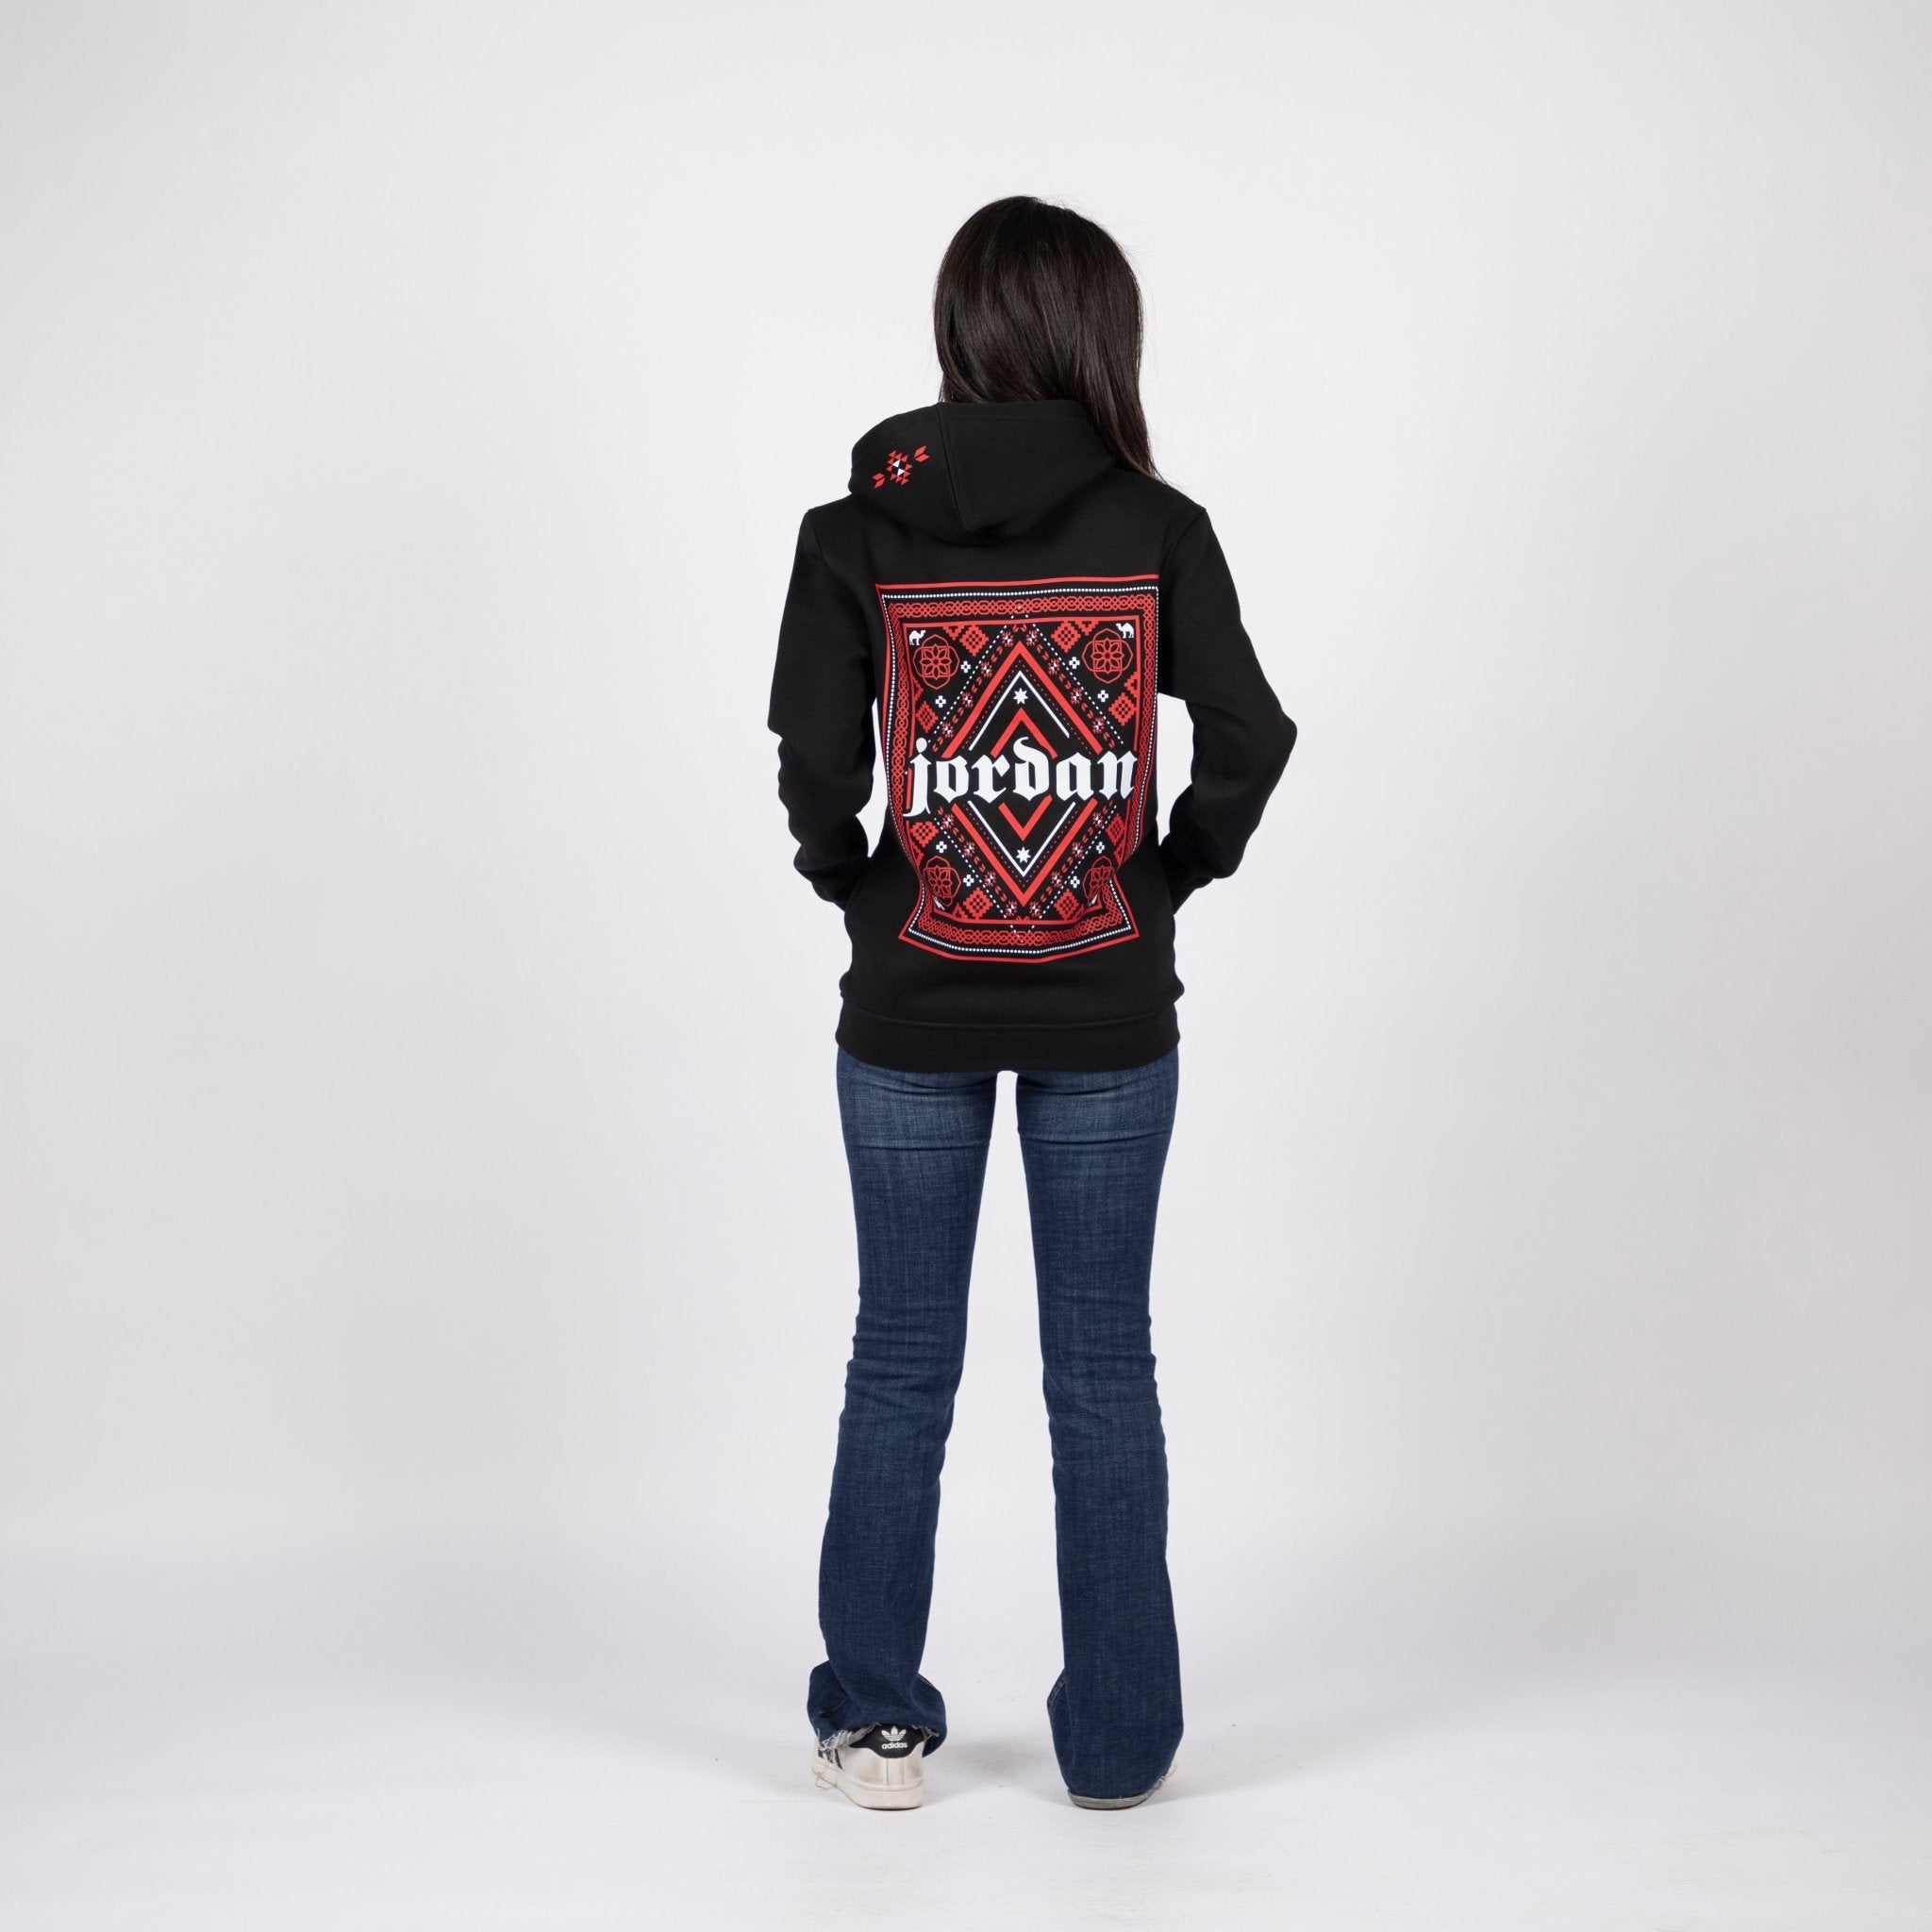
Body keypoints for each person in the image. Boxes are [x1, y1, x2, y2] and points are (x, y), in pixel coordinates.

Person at [766, 196, 1296, 1812]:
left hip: (909, 1002)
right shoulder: (1156, 525)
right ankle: (1122, 1745)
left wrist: (854, 879)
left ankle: (875, 1726)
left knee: (900, 1359)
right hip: (1107, 1004)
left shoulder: (855, 533)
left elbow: (812, 758)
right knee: (1104, 1368)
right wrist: (1161, 878)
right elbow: (1253, 735)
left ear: (958, 328)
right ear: (1100, 335)